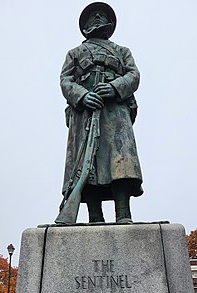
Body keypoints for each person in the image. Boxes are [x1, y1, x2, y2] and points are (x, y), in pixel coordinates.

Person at [58, 2, 143, 224]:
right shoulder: (74, 53)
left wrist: (115, 87)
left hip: (115, 110)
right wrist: (83, 95)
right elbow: (65, 80)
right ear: (85, 25)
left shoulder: (122, 51)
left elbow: (133, 75)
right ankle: (95, 216)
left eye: (101, 15)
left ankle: (123, 212)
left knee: (121, 159)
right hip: (85, 113)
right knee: (87, 163)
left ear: (109, 24)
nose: (96, 17)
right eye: (92, 16)